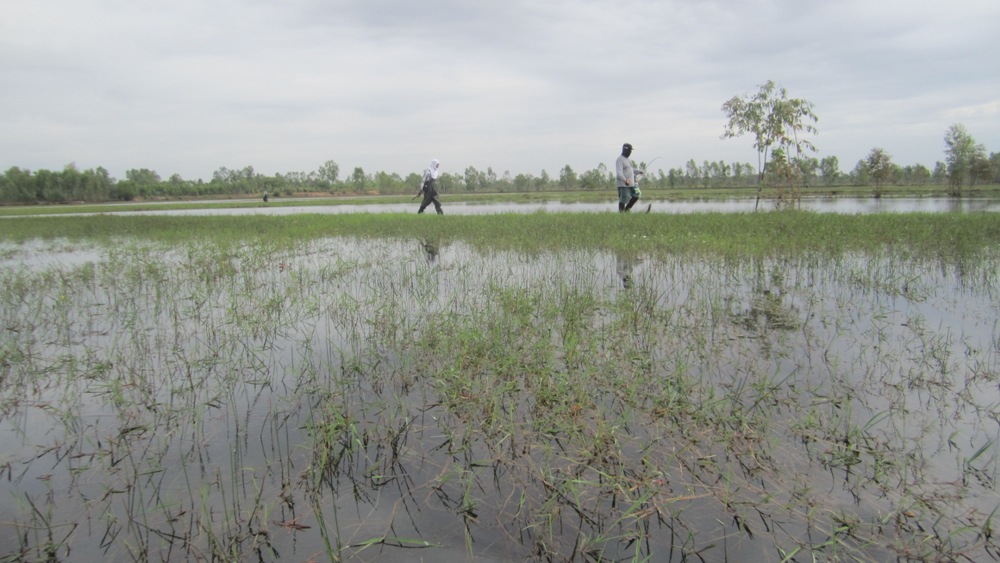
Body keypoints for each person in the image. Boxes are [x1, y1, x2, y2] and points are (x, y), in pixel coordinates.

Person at [615, 143, 643, 212]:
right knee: (624, 199)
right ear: (625, 150)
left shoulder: (628, 159)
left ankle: (627, 210)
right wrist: (625, 180)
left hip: (632, 182)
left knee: (637, 194)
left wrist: (639, 171)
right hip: (623, 183)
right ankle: (621, 214)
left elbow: (631, 170)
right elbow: (619, 172)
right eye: (630, 151)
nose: (630, 152)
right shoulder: (619, 159)